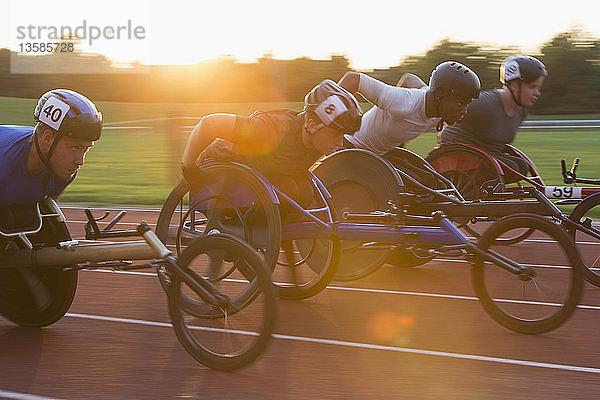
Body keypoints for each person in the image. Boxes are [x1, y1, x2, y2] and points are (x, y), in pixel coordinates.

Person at [181, 79, 362, 207]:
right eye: (334, 134)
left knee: (305, 191)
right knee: (288, 189)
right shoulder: (270, 130)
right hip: (218, 171)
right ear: (312, 125)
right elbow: (208, 124)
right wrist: (189, 167)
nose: (340, 142)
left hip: (260, 174)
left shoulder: (318, 138)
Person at [0, 89, 102, 230]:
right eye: (74, 147)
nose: (80, 161)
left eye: (85, 149)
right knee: (7, 220)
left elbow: (47, 205)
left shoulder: (63, 170)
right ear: (47, 138)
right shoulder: (4, 162)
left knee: (29, 217)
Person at [338, 61, 481, 154]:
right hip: (352, 147)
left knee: (428, 181)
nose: (464, 111)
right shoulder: (404, 102)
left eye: (467, 104)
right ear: (440, 94)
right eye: (461, 103)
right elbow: (352, 79)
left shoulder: (435, 104)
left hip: (382, 154)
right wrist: (331, 121)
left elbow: (409, 78)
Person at [439, 55, 547, 175]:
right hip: (462, 161)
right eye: (533, 87)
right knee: (511, 167)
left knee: (521, 166)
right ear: (515, 85)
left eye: (538, 88)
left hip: (490, 159)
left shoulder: (521, 113)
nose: (537, 93)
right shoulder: (484, 104)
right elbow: (447, 121)